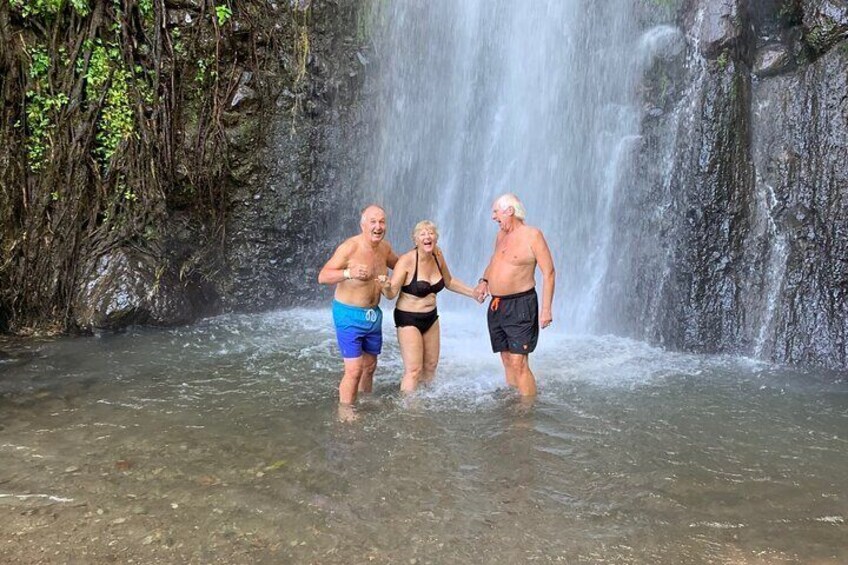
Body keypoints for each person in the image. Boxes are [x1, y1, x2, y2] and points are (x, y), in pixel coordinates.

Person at [380, 220, 482, 393]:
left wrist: (472, 293)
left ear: (436, 237)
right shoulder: (406, 261)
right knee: (413, 370)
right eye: (423, 234)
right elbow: (391, 295)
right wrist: (386, 286)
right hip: (408, 317)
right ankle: (408, 410)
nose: (427, 237)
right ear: (416, 240)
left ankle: (424, 403)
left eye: (431, 233)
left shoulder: (438, 255)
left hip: (431, 317)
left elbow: (449, 281)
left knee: (430, 366)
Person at [473, 193, 555, 398]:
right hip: (497, 305)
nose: (493, 217)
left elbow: (549, 272)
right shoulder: (501, 235)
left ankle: (527, 412)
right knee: (507, 358)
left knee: (519, 362)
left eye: (495, 212)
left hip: (521, 304)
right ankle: (513, 400)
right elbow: (494, 262)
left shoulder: (533, 235)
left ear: (509, 211)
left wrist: (546, 309)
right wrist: (484, 281)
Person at [318, 205, 398, 410]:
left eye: (381, 222)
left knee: (370, 367)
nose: (378, 226)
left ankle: (364, 399)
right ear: (363, 225)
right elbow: (323, 276)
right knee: (353, 370)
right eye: (373, 222)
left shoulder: (384, 248)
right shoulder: (350, 247)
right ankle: (346, 411)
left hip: (373, 315)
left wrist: (425, 258)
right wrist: (348, 273)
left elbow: (401, 266)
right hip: (348, 314)